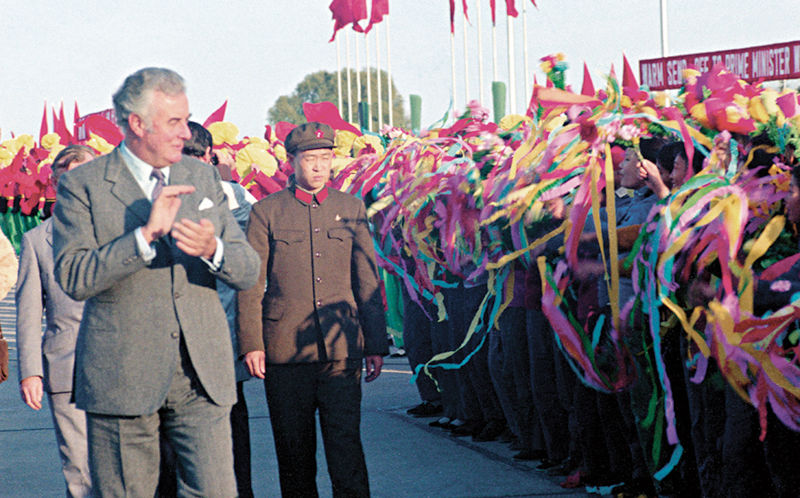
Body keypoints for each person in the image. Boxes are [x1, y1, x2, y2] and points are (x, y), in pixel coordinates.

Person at [52, 67, 260, 497]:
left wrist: (213, 249)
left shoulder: (202, 177)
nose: (185, 132)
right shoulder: (83, 185)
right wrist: (143, 238)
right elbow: (73, 277)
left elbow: (247, 268)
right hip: (123, 377)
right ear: (136, 124)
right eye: (173, 122)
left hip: (201, 375)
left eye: (185, 119)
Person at [238, 122, 388, 497]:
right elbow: (251, 284)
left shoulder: (350, 208)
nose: (320, 167)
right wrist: (251, 343)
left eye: (326, 158)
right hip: (285, 351)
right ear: (291, 162)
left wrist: (374, 343)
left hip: (341, 350)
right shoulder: (266, 212)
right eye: (311, 159)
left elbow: (367, 280)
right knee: (294, 454)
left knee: (346, 450)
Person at [16, 145, 95, 497]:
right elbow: (29, 312)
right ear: (55, 184)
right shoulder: (37, 241)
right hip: (67, 366)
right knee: (79, 469)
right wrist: (30, 370)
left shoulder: (127, 230)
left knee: (129, 468)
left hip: (125, 365)